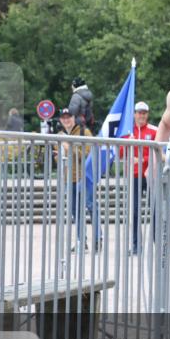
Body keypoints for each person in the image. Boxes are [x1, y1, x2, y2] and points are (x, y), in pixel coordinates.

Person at [57, 108, 98, 253]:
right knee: (76, 211)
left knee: (91, 207)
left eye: (69, 117)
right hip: (69, 179)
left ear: (74, 118)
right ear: (60, 120)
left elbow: (88, 155)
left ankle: (98, 238)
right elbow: (60, 158)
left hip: (84, 177)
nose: (66, 120)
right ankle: (81, 241)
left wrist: (69, 147)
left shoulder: (83, 133)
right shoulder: (61, 136)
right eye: (63, 118)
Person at [120, 102, 157, 256]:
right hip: (134, 176)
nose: (141, 116)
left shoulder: (154, 131)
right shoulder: (128, 131)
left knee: (154, 210)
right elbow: (121, 153)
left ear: (147, 114)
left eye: (144, 113)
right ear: (134, 114)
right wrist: (129, 143)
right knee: (134, 211)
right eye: (139, 113)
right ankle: (136, 245)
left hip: (150, 175)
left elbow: (158, 150)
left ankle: (157, 243)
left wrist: (142, 159)